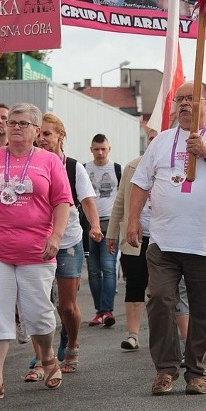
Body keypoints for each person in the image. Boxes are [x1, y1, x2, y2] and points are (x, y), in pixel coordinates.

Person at [127, 82, 206, 396]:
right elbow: (140, 182)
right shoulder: (162, 141)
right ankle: (165, 370)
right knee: (159, 301)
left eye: (189, 100)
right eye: (178, 99)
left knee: (204, 311)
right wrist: (132, 221)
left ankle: (198, 372)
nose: (182, 105)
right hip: (164, 241)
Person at [0, 103, 72, 400]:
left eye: (23, 123)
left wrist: (56, 236)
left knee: (39, 315)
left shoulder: (49, 161)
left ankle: (48, 356)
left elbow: (62, 201)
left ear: (36, 130)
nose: (16, 127)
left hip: (36, 250)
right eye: (12, 122)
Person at [30, 113, 102, 377]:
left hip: (68, 241)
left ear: (61, 135)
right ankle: (41, 360)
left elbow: (87, 201)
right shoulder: (29, 163)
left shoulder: (73, 167)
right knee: (37, 303)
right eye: (39, 134)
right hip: (36, 240)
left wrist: (94, 226)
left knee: (66, 306)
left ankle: (71, 343)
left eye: (47, 134)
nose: (41, 139)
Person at [107, 128, 158, 351]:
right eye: (150, 138)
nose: (153, 142)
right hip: (136, 236)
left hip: (164, 237)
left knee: (165, 289)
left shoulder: (178, 166)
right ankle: (133, 334)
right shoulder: (132, 167)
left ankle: (168, 334)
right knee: (134, 284)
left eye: (158, 138)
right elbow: (120, 202)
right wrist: (111, 234)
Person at [84, 133, 121, 328]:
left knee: (108, 267)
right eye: (96, 149)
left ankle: (107, 310)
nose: (100, 153)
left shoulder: (117, 169)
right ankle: (99, 311)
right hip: (89, 227)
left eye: (103, 149)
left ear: (109, 149)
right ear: (91, 149)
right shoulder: (83, 169)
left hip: (110, 225)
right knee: (92, 270)